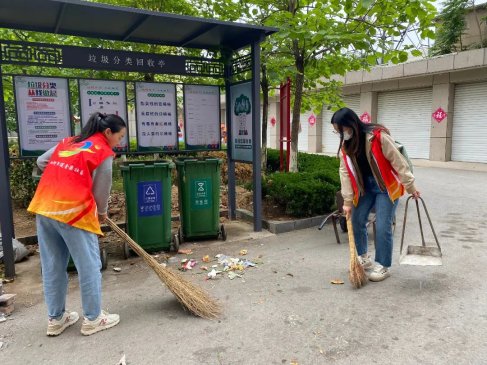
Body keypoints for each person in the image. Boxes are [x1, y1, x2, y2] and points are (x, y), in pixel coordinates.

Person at [28, 112, 126, 336]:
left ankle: (56, 318)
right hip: (73, 213)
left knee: (52, 265)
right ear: (108, 132)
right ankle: (93, 319)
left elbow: (41, 161)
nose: (119, 142)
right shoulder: (103, 152)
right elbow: (102, 188)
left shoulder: (70, 142)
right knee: (89, 265)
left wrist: (64, 177)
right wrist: (101, 212)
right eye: (119, 137)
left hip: (45, 207)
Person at [331, 107, 420, 282]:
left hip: (386, 187)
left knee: (382, 225)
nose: (339, 134)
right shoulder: (346, 145)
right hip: (365, 188)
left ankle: (383, 265)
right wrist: (347, 201)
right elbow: (345, 173)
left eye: (340, 130)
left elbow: (398, 161)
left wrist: (411, 186)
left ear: (350, 125)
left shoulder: (377, 137)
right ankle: (363, 258)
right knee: (357, 220)